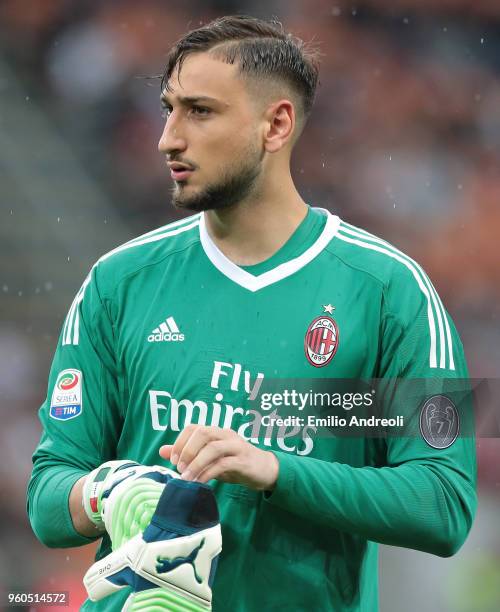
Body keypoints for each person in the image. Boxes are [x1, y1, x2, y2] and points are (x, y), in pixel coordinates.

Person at [28, 15, 477, 612]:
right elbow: (48, 493)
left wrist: (275, 471)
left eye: (200, 111)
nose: (168, 138)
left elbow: (443, 502)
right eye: (168, 109)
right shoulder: (119, 283)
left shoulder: (387, 293)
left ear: (277, 123)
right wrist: (105, 492)